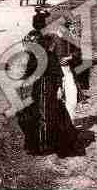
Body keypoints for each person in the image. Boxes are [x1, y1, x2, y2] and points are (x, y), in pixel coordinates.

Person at [15, 29, 79, 157]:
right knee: (27, 115)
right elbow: (26, 76)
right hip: (35, 90)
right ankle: (35, 145)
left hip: (48, 89)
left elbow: (57, 74)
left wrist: (59, 89)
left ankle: (52, 144)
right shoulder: (30, 57)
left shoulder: (50, 55)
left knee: (52, 116)